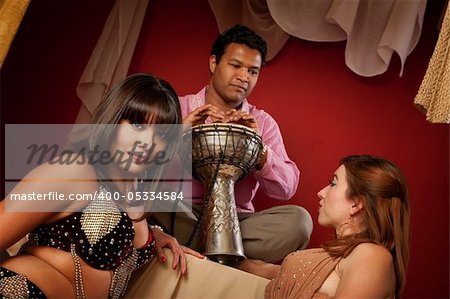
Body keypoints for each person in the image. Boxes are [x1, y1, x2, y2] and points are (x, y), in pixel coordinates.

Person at [0, 73, 203, 298]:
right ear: (113, 121)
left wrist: (155, 235)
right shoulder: (74, 170)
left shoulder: (134, 190)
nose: (147, 143)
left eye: (162, 135)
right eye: (137, 125)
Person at [126, 154, 410, 299]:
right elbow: (265, 270)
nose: (322, 192)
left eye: (334, 183)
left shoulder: (373, 255)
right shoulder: (337, 256)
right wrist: (179, 246)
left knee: (297, 218)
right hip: (205, 250)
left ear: (357, 204)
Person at [151, 24, 313, 264]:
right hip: (182, 213)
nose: (243, 77)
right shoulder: (176, 106)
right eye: (236, 66)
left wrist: (259, 149)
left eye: (253, 71)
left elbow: (287, 187)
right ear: (214, 63)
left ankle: (221, 248)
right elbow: (139, 167)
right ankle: (235, 259)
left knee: (299, 222)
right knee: (147, 200)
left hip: (237, 222)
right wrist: (179, 135)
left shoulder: (262, 122)